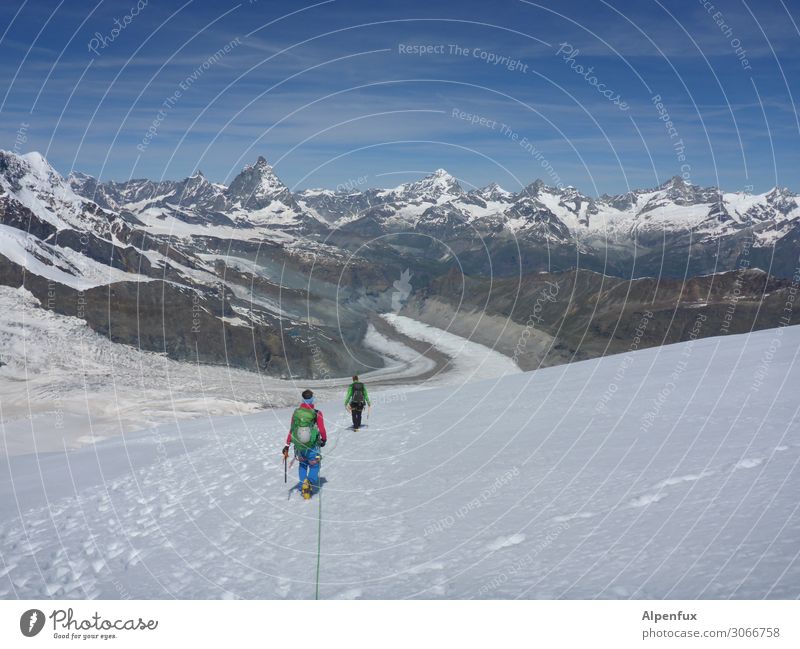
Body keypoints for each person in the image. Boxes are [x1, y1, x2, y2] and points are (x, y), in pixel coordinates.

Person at [282, 389, 327, 500]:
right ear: (312, 398)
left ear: (303, 398)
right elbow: (321, 429)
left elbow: (292, 429)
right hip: (312, 445)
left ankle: (304, 486)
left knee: (303, 465)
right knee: (314, 464)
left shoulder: (296, 413)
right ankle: (309, 482)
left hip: (299, 445)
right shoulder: (317, 413)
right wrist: (324, 440)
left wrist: (287, 445)